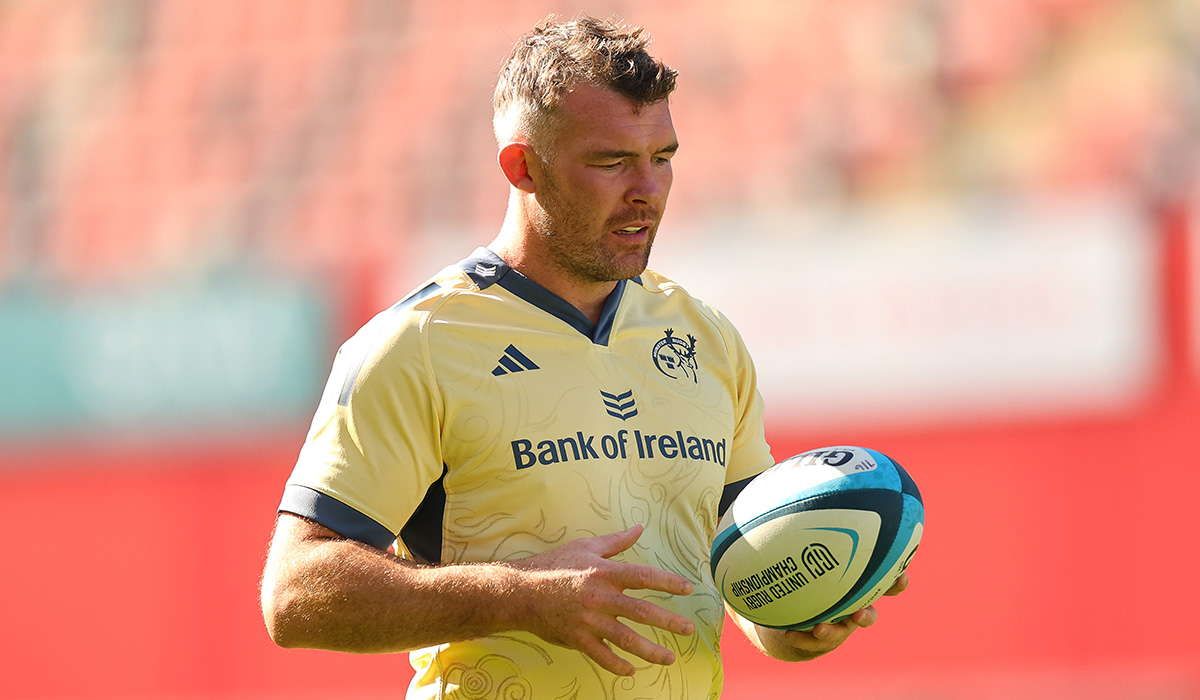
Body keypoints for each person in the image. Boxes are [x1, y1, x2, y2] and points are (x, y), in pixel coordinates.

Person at [260, 14, 907, 700]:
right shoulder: (417, 344)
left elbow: (741, 577)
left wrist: (803, 614)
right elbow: (294, 590)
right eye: (611, 162)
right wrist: (517, 595)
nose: (647, 191)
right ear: (522, 166)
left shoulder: (706, 340)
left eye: (662, 158)